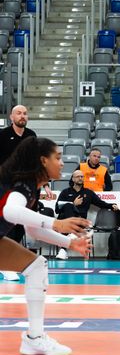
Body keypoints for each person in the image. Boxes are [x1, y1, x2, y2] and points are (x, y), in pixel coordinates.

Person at [0, 136, 92, 355]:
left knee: (36, 266)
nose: (62, 163)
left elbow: (32, 229)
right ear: (43, 160)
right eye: (57, 158)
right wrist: (57, 223)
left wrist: (70, 243)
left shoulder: (30, 186)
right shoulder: (23, 185)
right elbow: (10, 212)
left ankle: (34, 338)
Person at [0, 105, 52, 282]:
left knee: (23, 223)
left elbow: (38, 163)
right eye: (18, 113)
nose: (22, 116)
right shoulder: (3, 135)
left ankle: (10, 263)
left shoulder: (31, 136)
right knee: (8, 222)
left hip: (28, 187)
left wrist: (45, 185)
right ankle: (6, 266)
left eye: (25, 113)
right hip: (8, 186)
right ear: (11, 116)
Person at [54, 170, 119, 260]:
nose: (80, 178)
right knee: (69, 206)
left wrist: (111, 205)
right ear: (73, 179)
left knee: (72, 214)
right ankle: (71, 234)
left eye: (82, 176)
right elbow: (57, 209)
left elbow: (100, 203)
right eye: (78, 176)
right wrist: (73, 204)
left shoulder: (88, 193)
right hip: (65, 221)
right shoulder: (65, 192)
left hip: (80, 221)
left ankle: (63, 250)